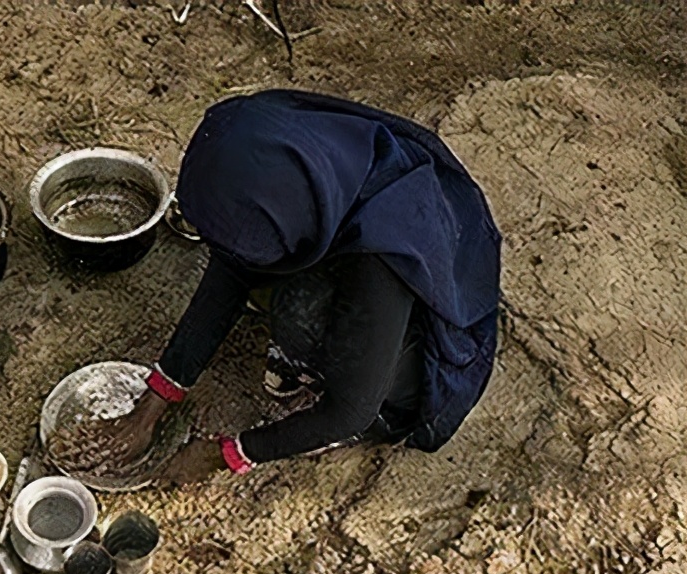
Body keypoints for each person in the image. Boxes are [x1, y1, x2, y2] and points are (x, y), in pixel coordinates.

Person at [98, 89, 502, 483]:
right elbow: (228, 274)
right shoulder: (267, 150)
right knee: (264, 272)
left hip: (417, 311)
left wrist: (228, 453)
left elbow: (350, 413)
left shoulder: (384, 252)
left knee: (300, 312)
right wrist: (158, 397)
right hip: (344, 239)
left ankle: (363, 383)